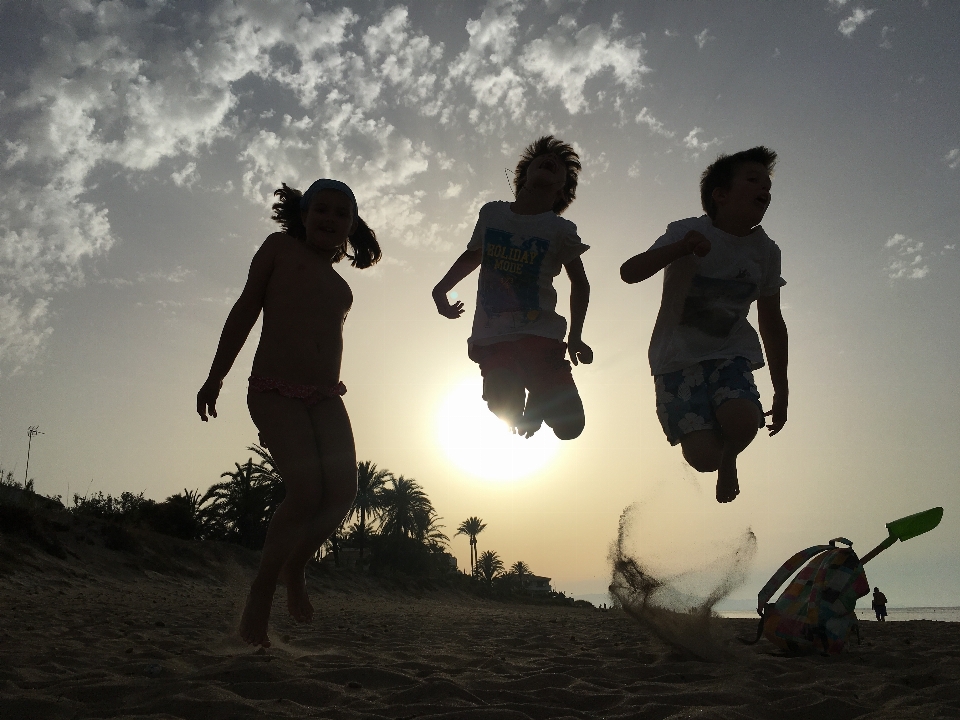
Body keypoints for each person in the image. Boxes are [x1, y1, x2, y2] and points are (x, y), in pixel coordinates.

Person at [196, 179, 381, 647]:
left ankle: (295, 567)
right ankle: (262, 592)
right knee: (305, 489)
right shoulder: (279, 248)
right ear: (303, 213)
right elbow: (245, 310)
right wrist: (216, 376)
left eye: (343, 213)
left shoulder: (342, 288)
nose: (330, 218)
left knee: (342, 491)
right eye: (322, 208)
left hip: (325, 395)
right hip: (274, 389)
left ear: (352, 226)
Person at [620, 147, 788, 503]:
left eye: (768, 185)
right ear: (720, 195)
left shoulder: (766, 252)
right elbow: (629, 272)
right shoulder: (687, 230)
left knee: (742, 421)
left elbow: (771, 321)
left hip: (730, 353)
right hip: (676, 359)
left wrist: (781, 390)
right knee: (703, 459)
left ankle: (731, 460)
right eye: (753, 180)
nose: (765, 190)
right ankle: (719, 461)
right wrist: (680, 248)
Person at [432, 136, 592, 440]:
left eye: (558, 167)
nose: (550, 162)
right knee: (504, 402)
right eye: (542, 159)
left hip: (541, 337)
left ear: (562, 189)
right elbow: (474, 255)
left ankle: (539, 397)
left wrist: (576, 336)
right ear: (524, 173)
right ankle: (524, 408)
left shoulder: (560, 230)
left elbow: (580, 283)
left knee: (571, 426)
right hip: (495, 338)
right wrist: (442, 289)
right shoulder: (492, 214)